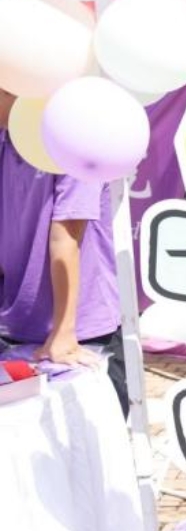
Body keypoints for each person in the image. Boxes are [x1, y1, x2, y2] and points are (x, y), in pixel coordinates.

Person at [0, 87, 128, 416]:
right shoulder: (6, 141)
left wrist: (63, 332)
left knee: (96, 435)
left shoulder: (72, 141)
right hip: (15, 330)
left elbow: (65, 241)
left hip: (81, 333)